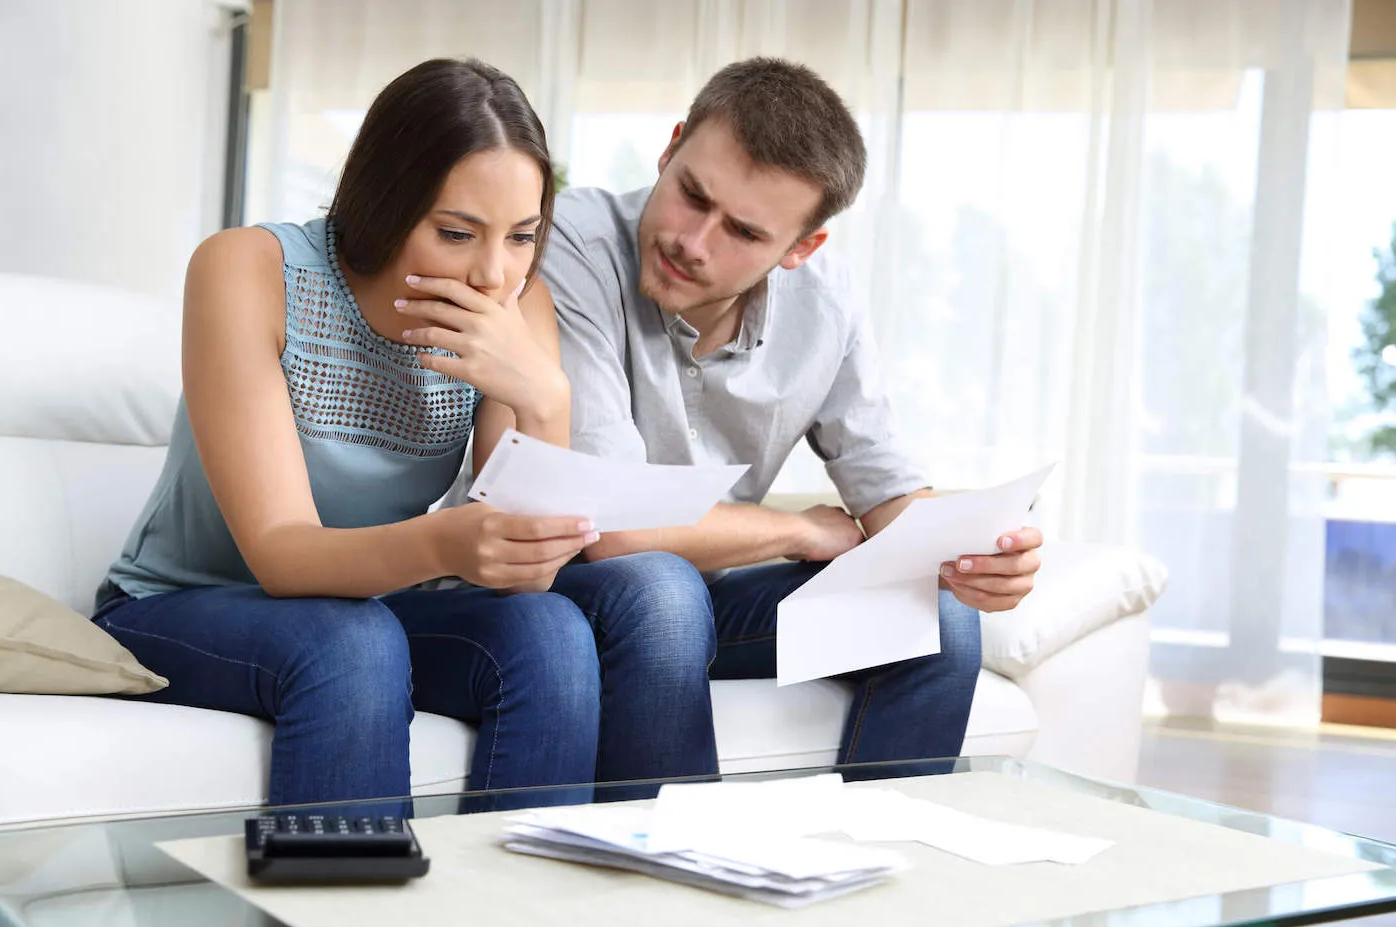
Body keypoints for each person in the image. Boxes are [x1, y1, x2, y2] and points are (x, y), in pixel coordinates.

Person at [91, 58, 713, 810]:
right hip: (183, 603)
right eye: (457, 233)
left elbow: (527, 576)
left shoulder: (519, 307)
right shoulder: (247, 268)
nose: (493, 273)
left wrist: (544, 397)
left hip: (361, 602)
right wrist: (447, 541)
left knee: (548, 631)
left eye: (522, 236)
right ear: (386, 203)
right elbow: (283, 554)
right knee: (351, 642)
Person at [543, 57, 1045, 776]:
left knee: (942, 616)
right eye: (691, 195)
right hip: (564, 595)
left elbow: (887, 495)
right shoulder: (575, 244)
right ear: (672, 145)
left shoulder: (826, 300)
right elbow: (618, 529)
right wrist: (803, 530)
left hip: (702, 603)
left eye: (743, 233)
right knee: (660, 587)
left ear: (801, 248)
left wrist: (978, 555)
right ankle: (675, 868)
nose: (694, 242)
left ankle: (871, 863)